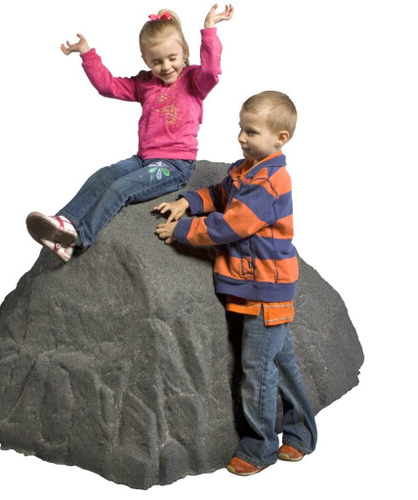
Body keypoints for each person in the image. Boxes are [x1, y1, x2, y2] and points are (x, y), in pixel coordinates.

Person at [154, 91, 317, 476]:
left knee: (257, 371)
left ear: (280, 138)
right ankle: (301, 434)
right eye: (241, 129)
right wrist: (188, 201)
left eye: (252, 132)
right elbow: (220, 194)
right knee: (281, 363)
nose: (242, 138)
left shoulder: (271, 181)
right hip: (251, 288)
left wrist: (183, 230)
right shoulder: (246, 170)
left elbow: (233, 224)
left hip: (264, 289)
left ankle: (259, 448)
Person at [26, 4, 234, 262]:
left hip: (175, 164)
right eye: (156, 61)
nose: (166, 66)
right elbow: (108, 86)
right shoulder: (145, 83)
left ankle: (79, 240)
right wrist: (87, 53)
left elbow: (212, 71)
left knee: (121, 188)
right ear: (146, 60)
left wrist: (209, 29)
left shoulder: (194, 81)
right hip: (143, 158)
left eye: (172, 58)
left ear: (184, 53)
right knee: (105, 175)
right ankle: (64, 221)